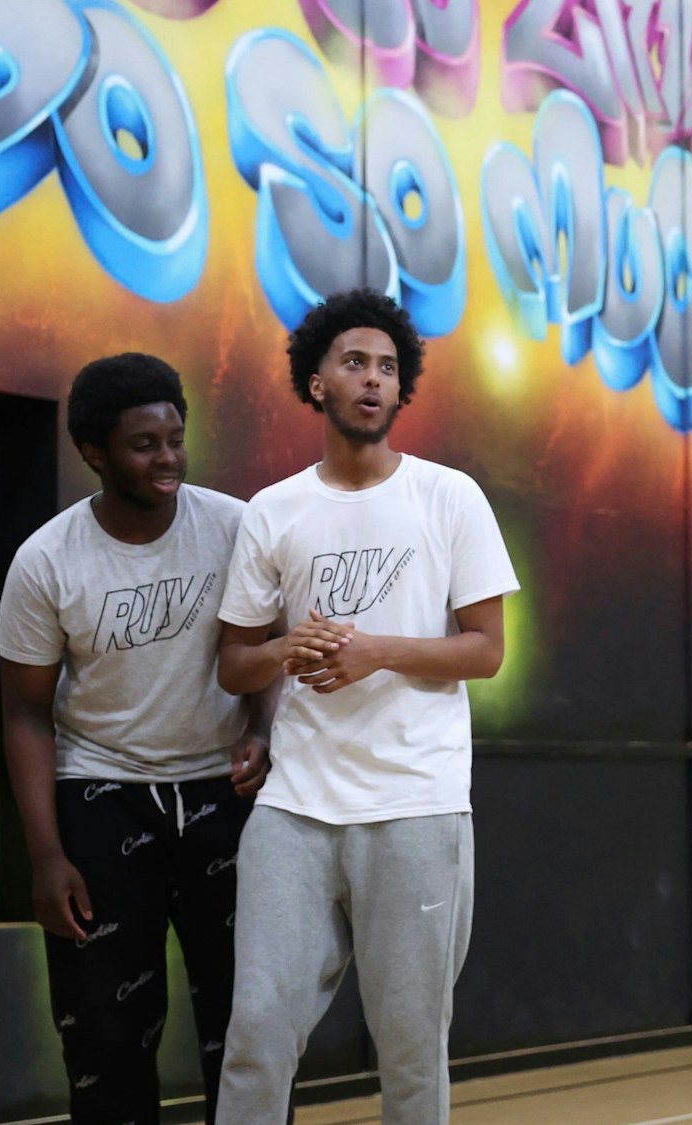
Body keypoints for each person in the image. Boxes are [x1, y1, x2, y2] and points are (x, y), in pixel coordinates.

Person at [213, 289, 519, 1125]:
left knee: (413, 1047)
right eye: (355, 363)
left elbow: (486, 650)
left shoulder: (448, 496)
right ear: (317, 384)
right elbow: (237, 663)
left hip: (415, 806)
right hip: (296, 806)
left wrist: (375, 650)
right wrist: (287, 649)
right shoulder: (275, 510)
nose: (375, 380)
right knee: (257, 1030)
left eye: (388, 367)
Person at [0, 353, 273, 1124]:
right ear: (93, 452)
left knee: (254, 1022)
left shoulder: (235, 526)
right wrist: (47, 854)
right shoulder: (47, 560)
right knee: (107, 1037)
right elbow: (23, 712)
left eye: (176, 439)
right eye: (144, 444)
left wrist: (261, 724)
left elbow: (271, 644)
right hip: (102, 795)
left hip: (225, 790)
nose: (168, 459)